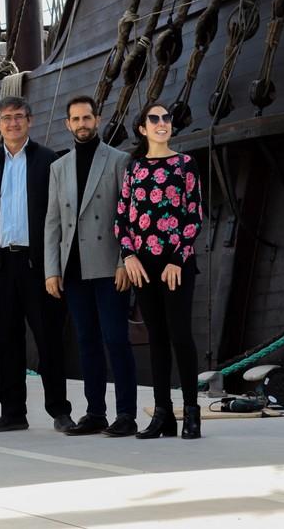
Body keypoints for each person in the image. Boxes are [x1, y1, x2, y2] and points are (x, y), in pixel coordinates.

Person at [0, 96, 73, 433]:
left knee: (49, 339)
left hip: (38, 265)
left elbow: (62, 213)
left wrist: (56, 265)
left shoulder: (48, 162)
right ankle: (13, 413)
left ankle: (59, 410)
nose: (13, 123)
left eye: (19, 117)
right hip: (0, 266)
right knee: (6, 342)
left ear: (30, 120)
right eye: (6, 118)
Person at [45, 96, 138, 437]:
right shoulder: (59, 167)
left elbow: (128, 217)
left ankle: (126, 413)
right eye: (76, 119)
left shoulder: (118, 160)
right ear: (68, 124)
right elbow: (52, 222)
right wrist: (51, 270)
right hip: (73, 268)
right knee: (86, 342)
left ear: (97, 120)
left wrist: (123, 261)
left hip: (109, 267)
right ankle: (95, 412)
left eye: (87, 118)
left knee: (116, 339)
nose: (82, 124)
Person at [114, 103, 204, 440]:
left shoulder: (185, 164)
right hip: (144, 268)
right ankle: (162, 413)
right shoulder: (134, 168)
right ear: (142, 128)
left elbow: (194, 216)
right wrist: (129, 256)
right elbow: (122, 218)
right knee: (157, 339)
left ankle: (192, 413)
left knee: (180, 334)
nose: (162, 123)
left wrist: (177, 258)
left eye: (166, 118)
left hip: (175, 265)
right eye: (154, 119)